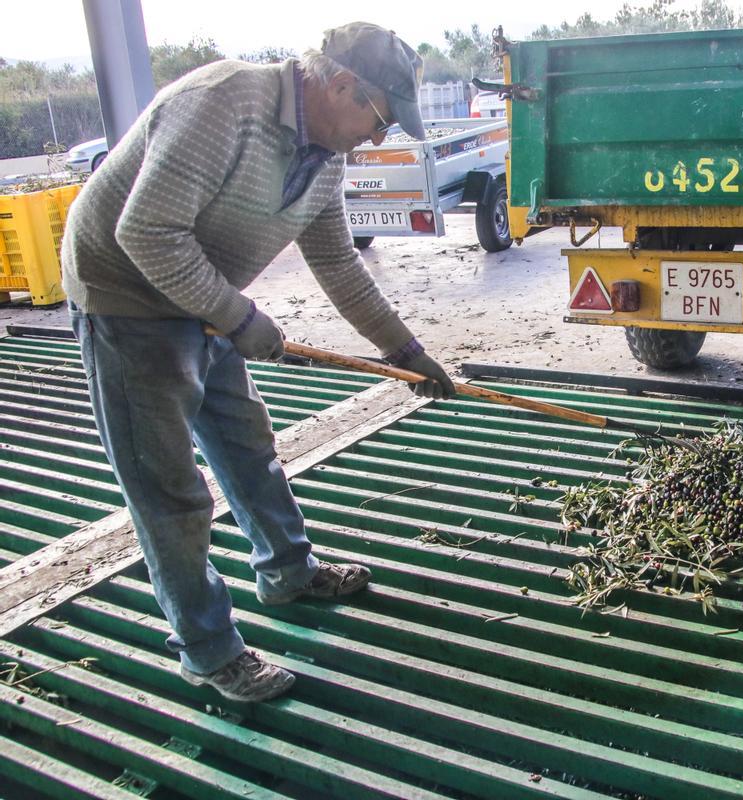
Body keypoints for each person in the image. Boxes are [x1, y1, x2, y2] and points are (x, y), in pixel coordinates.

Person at [61, 22, 454, 703]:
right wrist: (240, 318)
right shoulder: (225, 105)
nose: (379, 138)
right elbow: (145, 232)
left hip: (201, 292)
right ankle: (209, 651)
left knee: (248, 447)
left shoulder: (325, 151)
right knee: (171, 492)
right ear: (339, 86)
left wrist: (405, 352)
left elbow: (335, 261)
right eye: (381, 120)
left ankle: (288, 572)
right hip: (126, 299)